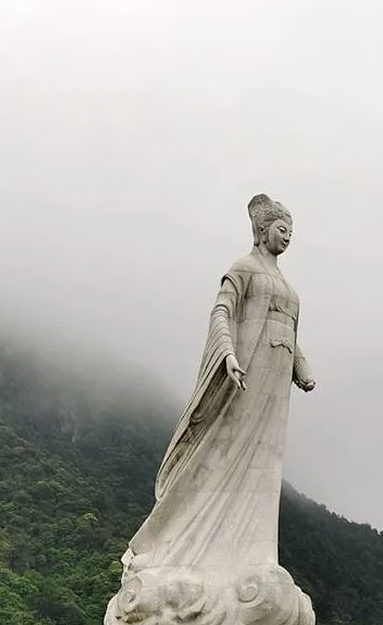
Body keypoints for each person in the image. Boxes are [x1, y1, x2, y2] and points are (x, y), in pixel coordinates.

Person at [126, 193, 316, 574]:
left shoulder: (287, 285)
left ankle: (253, 551)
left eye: (292, 231)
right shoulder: (243, 268)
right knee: (227, 450)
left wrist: (301, 366)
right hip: (246, 373)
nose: (288, 236)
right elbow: (222, 310)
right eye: (282, 229)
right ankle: (192, 542)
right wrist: (227, 352)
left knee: (266, 460)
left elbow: (291, 332)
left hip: (275, 384)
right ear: (263, 231)